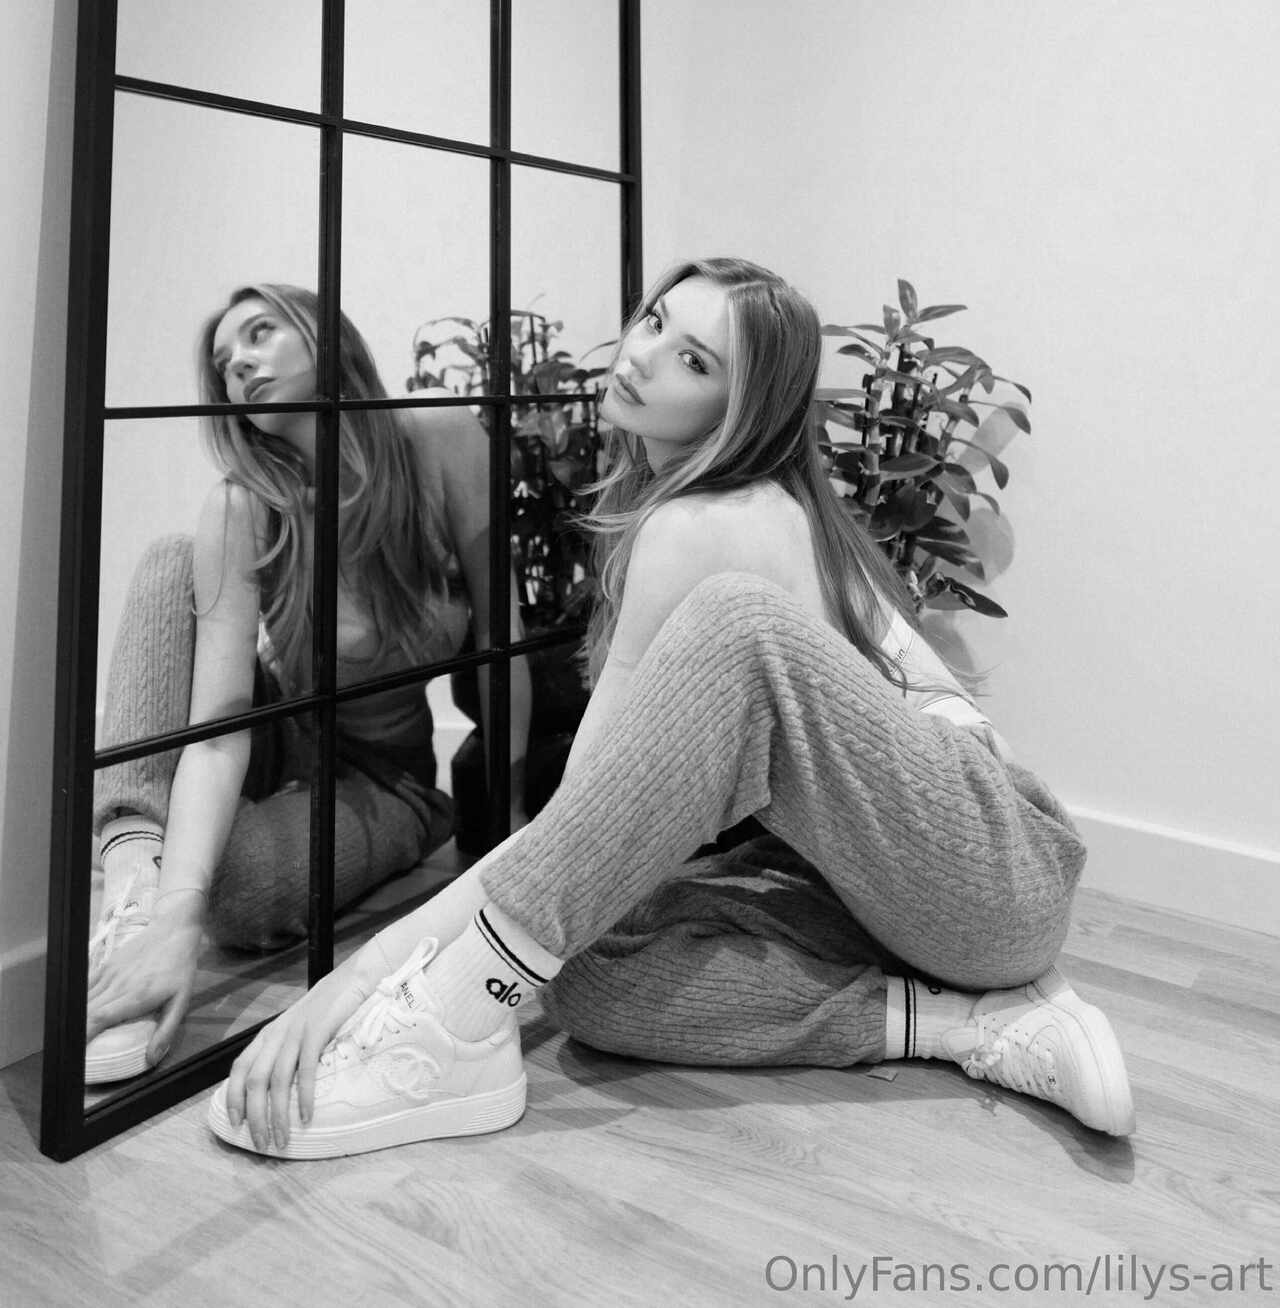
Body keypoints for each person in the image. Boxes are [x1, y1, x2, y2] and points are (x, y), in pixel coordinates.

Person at [210, 257, 1135, 1158]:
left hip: (995, 863)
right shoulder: (703, 510)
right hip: (889, 894)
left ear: (741, 410)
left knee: (733, 627)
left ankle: (450, 1032)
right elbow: (578, 840)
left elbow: (569, 827)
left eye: (694, 361)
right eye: (655, 322)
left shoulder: (710, 524)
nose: (643, 356)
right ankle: (970, 1024)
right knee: (592, 973)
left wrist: (368, 975)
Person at [86, 283, 531, 1083]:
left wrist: (517, 822)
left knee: (239, 894)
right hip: (272, 735)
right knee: (169, 558)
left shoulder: (438, 439)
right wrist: (176, 915)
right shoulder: (247, 505)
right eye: (224, 362)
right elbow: (217, 732)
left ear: (329, 333)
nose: (239, 365)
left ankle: (174, 878)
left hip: (380, 778)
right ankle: (135, 890)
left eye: (260, 333)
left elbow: (504, 642)